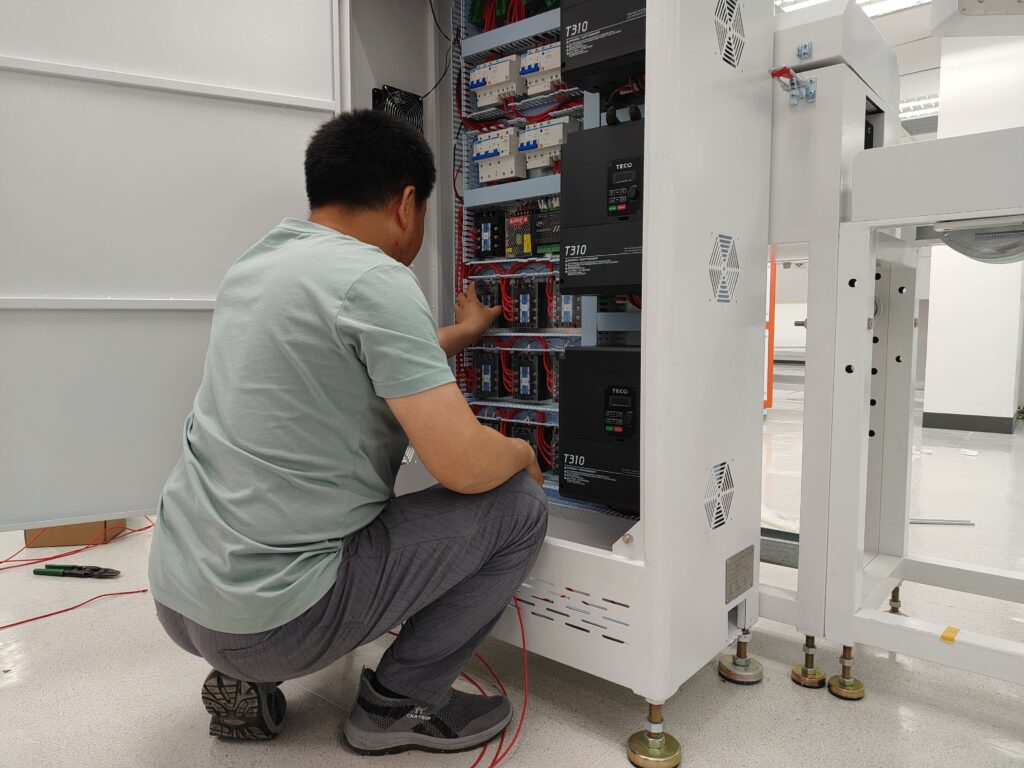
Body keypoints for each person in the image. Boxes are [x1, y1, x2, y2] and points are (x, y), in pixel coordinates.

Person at [148, 109, 549, 755]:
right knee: (519, 506)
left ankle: (246, 675)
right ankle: (401, 703)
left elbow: (360, 351)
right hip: (277, 619)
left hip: (180, 594)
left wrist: (466, 335)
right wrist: (522, 448)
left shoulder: (262, 265)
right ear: (407, 203)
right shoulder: (376, 279)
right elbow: (466, 468)